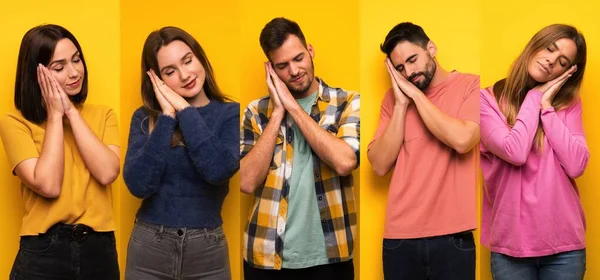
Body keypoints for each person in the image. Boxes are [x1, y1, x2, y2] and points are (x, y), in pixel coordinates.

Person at [240, 17, 360, 280]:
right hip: (266, 259)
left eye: (299, 58)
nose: (294, 71)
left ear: (311, 50)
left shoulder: (346, 102)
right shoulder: (256, 112)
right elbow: (247, 182)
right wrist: (277, 114)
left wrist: (293, 108)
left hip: (330, 258)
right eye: (282, 66)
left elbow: (344, 162)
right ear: (271, 69)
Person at [0, 24, 120, 280]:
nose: (74, 72)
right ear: (37, 75)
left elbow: (108, 172)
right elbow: (49, 185)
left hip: (99, 249)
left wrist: (71, 113)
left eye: (76, 60)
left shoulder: (103, 115)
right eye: (59, 67)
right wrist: (55, 114)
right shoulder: (15, 122)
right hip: (43, 251)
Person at [123, 26, 239, 280]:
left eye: (188, 61)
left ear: (199, 57)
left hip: (208, 252)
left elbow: (219, 170)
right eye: (170, 71)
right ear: (157, 80)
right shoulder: (145, 119)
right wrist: (167, 117)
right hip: (149, 249)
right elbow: (138, 185)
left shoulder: (230, 114)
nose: (185, 75)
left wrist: (185, 110)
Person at [368, 22, 480, 280]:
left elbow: (462, 140)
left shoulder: (471, 86)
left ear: (431, 48)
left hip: (454, 238)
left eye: (412, 59)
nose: (408, 72)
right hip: (400, 239)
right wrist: (400, 103)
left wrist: (416, 98)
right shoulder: (393, 100)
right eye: (399, 68)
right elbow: (380, 164)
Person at [480, 24, 588, 280]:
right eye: (550, 48)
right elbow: (514, 151)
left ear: (567, 72)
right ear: (534, 45)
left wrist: (547, 107)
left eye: (562, 61)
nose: (551, 61)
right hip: (510, 248)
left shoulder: (568, 106)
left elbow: (576, 165)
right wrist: (535, 97)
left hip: (565, 248)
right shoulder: (486, 100)